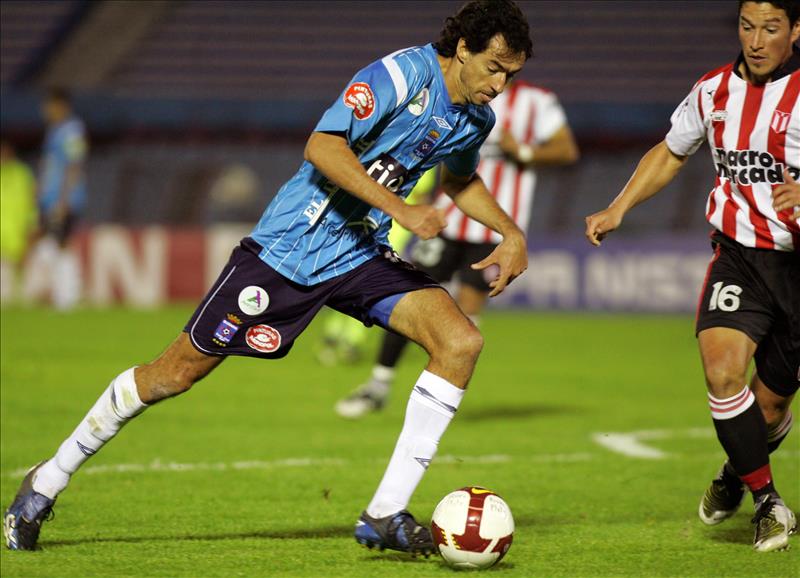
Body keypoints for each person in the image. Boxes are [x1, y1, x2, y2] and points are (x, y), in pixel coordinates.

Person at [3, 0, 532, 554]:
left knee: (460, 341)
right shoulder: (401, 75)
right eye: (494, 67)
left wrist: (509, 231)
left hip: (357, 253)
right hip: (289, 251)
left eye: (511, 75)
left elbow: (460, 180)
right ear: (464, 49)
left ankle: (384, 513)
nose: (499, 85)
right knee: (173, 374)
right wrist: (399, 210)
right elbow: (322, 146)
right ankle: (46, 481)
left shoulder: (474, 118)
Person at [584, 0, 799, 553]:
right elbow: (672, 151)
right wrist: (618, 207)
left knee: (770, 408)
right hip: (740, 259)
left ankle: (736, 472)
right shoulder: (712, 90)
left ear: (795, 32)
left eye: (770, 29)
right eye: (747, 26)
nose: (756, 40)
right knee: (722, 372)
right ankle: (768, 503)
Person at [336, 79, 579, 418]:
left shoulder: (536, 101)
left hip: (494, 230)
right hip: (449, 220)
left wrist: (523, 151)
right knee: (409, 295)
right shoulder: (461, 94)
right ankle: (378, 385)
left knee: (466, 317)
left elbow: (566, 149)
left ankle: (441, 399)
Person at [24, 87, 88, 310]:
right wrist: (40, 189)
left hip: (63, 200)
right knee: (50, 243)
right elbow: (51, 165)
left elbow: (74, 165)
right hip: (50, 199)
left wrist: (64, 199)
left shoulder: (72, 131)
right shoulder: (55, 130)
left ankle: (67, 297)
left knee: (59, 244)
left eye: (49, 105)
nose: (45, 110)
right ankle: (62, 293)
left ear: (61, 105)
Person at [0, 138, 38, 303]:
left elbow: (31, 205)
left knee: (25, 295)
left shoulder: (22, 174)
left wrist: (31, 232)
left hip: (19, 239)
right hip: (3, 242)